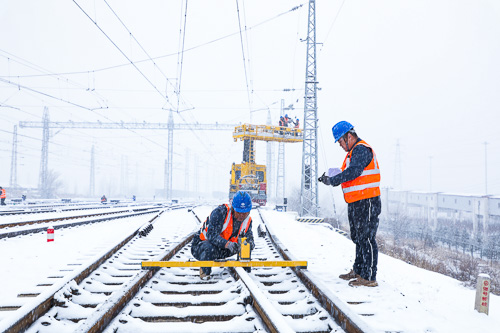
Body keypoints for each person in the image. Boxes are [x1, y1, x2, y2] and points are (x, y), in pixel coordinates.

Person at [318, 121, 381, 287]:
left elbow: (354, 172)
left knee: (366, 238)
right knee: (358, 237)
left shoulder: (361, 149)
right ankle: (359, 270)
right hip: (356, 201)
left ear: (349, 136)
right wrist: (333, 178)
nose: (340, 145)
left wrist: (334, 180)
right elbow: (350, 174)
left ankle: (368, 277)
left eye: (340, 141)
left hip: (367, 201)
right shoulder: (353, 152)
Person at [191, 191, 255, 279]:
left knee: (246, 247)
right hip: (201, 246)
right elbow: (211, 235)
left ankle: (246, 274)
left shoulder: (248, 221)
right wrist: (228, 244)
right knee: (208, 247)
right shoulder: (220, 213)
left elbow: (250, 239)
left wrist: (246, 245)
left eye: (244, 213)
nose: (241, 215)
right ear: (233, 208)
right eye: (239, 212)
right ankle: (205, 273)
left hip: (224, 249)